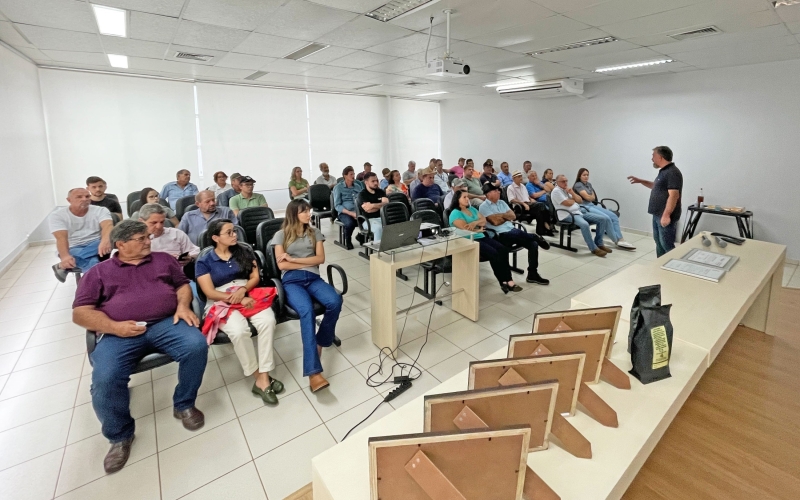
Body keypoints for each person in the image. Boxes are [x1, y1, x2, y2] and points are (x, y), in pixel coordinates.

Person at [72, 220, 207, 473]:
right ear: (121, 244)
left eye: (148, 237)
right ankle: (120, 436)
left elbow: (182, 285)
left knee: (196, 346)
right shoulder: (98, 273)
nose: (149, 241)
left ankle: (184, 404)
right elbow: (80, 313)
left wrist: (182, 306)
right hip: (119, 333)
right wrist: (115, 327)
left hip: (166, 323)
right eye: (141, 238)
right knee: (105, 378)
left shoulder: (163, 260)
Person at [196, 220, 283, 404]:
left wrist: (243, 291)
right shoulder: (204, 261)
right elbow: (209, 292)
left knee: (267, 321)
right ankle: (258, 376)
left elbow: (254, 277)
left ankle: (264, 375)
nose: (234, 235)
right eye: (229, 233)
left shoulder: (244, 250)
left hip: (246, 292)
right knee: (238, 331)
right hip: (220, 298)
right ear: (215, 238)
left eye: (234, 231)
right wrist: (235, 297)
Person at [273, 200, 343, 392]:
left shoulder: (314, 233)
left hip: (313, 277)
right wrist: (302, 263)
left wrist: (293, 259)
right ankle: (313, 372)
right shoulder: (281, 235)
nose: (308, 214)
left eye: (309, 211)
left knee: (335, 301)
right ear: (294, 213)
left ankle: (321, 340)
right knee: (307, 312)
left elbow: (320, 259)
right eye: (304, 211)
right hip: (292, 281)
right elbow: (282, 266)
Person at [448, 190, 519, 294]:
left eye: (467, 197)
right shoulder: (455, 213)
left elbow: (484, 220)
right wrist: (477, 229)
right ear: (457, 199)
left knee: (503, 249)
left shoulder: (471, 209)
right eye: (464, 197)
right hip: (469, 240)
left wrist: (475, 223)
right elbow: (465, 229)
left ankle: (509, 279)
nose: (467, 199)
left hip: (481, 236)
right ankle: (503, 281)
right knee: (494, 253)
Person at [479, 183, 550, 285]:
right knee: (520, 235)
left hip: (512, 230)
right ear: (488, 194)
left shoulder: (502, 202)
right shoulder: (483, 207)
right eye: (495, 191)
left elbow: (513, 216)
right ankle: (535, 236)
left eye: (498, 190)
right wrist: (504, 216)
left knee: (533, 245)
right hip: (500, 235)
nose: (499, 192)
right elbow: (495, 222)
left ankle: (532, 274)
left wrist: (500, 216)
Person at [628, 146, 682, 257]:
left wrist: (666, 215)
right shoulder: (664, 171)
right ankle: (660, 266)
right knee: (659, 242)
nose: (652, 159)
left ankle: (673, 268)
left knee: (666, 244)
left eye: (653, 156)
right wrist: (640, 181)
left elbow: (674, 195)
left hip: (665, 215)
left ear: (660, 157)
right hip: (658, 214)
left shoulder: (672, 172)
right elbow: (656, 187)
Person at [50, 188, 113, 282]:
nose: (84, 199)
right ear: (69, 200)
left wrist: (105, 241)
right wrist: (65, 257)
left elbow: (108, 226)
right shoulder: (57, 215)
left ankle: (61, 267)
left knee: (110, 239)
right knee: (93, 262)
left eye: (87, 196)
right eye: (79, 197)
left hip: (96, 244)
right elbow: (61, 238)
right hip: (73, 246)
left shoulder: (100, 210)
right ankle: (99, 285)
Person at [574, 168, 636, 250]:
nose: (586, 177)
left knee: (614, 216)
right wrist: (590, 197)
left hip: (592, 205)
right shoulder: (578, 185)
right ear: (579, 176)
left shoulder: (589, 184)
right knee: (607, 218)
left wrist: (590, 197)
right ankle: (616, 240)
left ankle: (621, 239)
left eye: (587, 175)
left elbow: (592, 197)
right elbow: (588, 197)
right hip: (585, 207)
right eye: (584, 175)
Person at [551, 175, 610, 257]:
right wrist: (573, 200)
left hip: (578, 212)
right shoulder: (556, 191)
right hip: (568, 215)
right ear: (557, 182)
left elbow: (580, 200)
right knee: (584, 224)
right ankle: (593, 248)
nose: (565, 183)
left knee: (602, 219)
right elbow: (567, 203)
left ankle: (599, 243)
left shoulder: (567, 190)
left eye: (566, 181)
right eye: (563, 181)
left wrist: (572, 193)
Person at [139, 204, 199, 278]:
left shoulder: (176, 234)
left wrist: (190, 257)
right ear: (141, 221)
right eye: (154, 223)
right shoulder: (134, 241)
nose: (159, 226)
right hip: (150, 278)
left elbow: (195, 250)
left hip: (179, 277)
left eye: (162, 222)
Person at [507, 171, 550, 235]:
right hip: (519, 207)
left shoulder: (522, 186)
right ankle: (548, 227)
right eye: (519, 177)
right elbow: (512, 200)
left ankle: (541, 231)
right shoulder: (510, 187)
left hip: (528, 204)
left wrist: (531, 199)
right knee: (541, 206)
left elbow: (527, 196)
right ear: (514, 178)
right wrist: (523, 204)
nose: (521, 178)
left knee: (540, 211)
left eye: (521, 176)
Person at [332, 166, 363, 249]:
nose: (353, 176)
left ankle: (361, 236)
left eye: (354, 174)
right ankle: (348, 240)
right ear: (345, 176)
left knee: (369, 220)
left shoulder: (357, 186)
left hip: (357, 210)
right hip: (345, 212)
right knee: (350, 223)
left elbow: (362, 200)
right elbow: (337, 205)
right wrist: (351, 213)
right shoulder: (338, 187)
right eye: (351, 174)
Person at [357, 172, 388, 241]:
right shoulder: (362, 195)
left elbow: (386, 204)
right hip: (368, 220)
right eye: (373, 181)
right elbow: (368, 210)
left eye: (376, 180)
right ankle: (377, 250)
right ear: (366, 182)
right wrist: (381, 205)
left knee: (395, 224)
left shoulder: (381, 192)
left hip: (382, 217)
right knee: (378, 228)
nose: (376, 183)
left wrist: (373, 205)